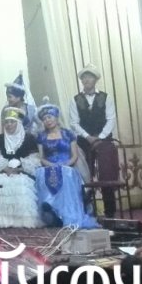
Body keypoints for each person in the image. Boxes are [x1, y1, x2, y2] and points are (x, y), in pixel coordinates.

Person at [34, 97, 97, 228]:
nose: (47, 120)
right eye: (44, 119)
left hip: (68, 165)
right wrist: (52, 165)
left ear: (56, 118)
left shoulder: (68, 134)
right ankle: (50, 210)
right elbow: (42, 157)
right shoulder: (41, 136)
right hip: (49, 165)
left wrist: (65, 165)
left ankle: (68, 213)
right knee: (41, 174)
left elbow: (74, 155)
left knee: (66, 174)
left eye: (50, 117)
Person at [68, 64, 119, 216]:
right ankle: (88, 211)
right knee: (84, 175)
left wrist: (100, 137)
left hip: (104, 141)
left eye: (89, 77)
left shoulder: (106, 97)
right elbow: (73, 123)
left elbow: (111, 119)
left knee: (107, 174)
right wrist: (87, 137)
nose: (86, 80)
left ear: (95, 79)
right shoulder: (75, 100)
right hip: (84, 142)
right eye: (84, 77)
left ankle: (110, 212)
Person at [0, 106, 43, 228]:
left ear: (18, 123)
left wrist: (20, 168)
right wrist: (5, 168)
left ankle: (24, 221)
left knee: (22, 185)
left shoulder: (29, 138)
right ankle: (6, 221)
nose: (9, 125)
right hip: (5, 172)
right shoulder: (1, 138)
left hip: (23, 172)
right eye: (6, 122)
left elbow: (34, 159)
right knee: (3, 184)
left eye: (12, 122)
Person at [3, 71, 39, 136]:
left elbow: (38, 126)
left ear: (18, 97)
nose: (8, 99)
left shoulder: (31, 109)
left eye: (10, 97)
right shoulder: (7, 109)